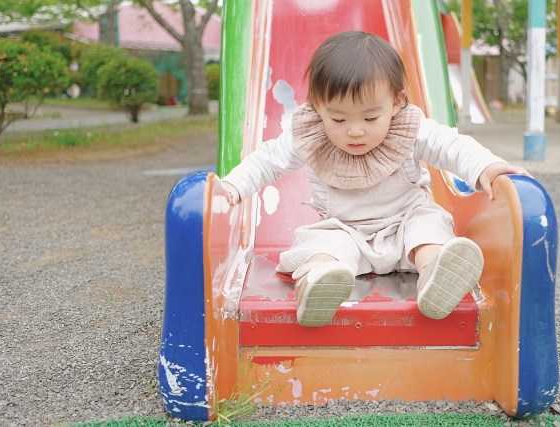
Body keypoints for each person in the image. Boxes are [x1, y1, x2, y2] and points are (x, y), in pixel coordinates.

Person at [220, 31, 530, 327]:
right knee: (323, 243)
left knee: (429, 222)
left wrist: (486, 166)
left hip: (405, 224)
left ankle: (435, 273)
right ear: (317, 105)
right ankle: (318, 281)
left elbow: (450, 146)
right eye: (339, 119)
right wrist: (234, 185)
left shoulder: (408, 128)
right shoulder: (310, 135)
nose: (355, 130)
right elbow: (268, 160)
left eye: (370, 118)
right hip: (346, 232)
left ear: (396, 102)